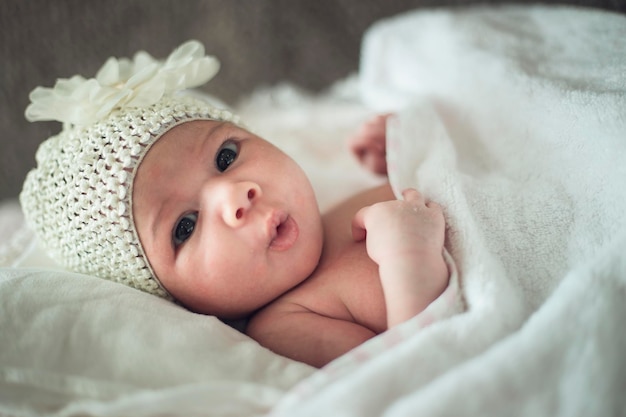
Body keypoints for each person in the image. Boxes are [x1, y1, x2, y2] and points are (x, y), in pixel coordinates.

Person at [20, 40, 454, 368]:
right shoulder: (286, 325)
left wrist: (398, 152)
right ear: (174, 302)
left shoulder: (330, 211)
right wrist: (408, 257)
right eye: (185, 226)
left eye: (225, 157)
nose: (235, 193)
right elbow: (410, 370)